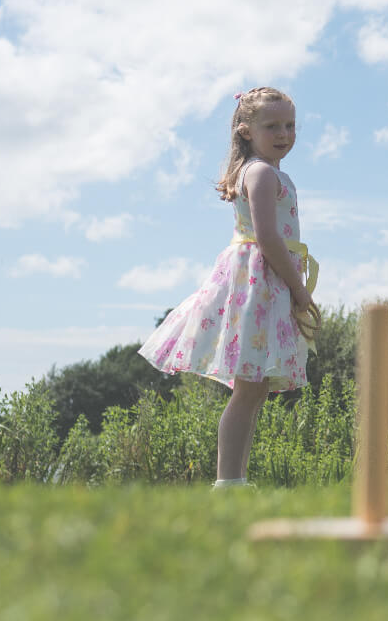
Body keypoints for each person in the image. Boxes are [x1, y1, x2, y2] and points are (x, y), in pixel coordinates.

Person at [138, 86, 320, 488]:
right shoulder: (259, 172)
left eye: (290, 125)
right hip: (260, 281)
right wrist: (298, 288)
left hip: (267, 280)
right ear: (245, 131)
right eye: (271, 125)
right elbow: (268, 237)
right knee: (247, 389)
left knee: (254, 391)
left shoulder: (273, 173)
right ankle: (228, 481)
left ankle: (235, 478)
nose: (284, 133)